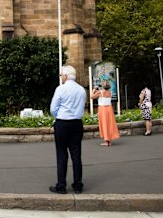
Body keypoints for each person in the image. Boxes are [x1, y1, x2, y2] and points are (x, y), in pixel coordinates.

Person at [49, 65, 86, 194]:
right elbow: (82, 107)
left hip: (63, 123)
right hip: (77, 123)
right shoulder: (81, 90)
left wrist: (57, 117)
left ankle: (61, 185)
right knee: (76, 154)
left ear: (65, 76)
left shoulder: (60, 89)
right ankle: (77, 185)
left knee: (61, 155)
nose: (61, 77)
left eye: (61, 75)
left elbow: (53, 108)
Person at [91, 81, 119, 146]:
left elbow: (92, 97)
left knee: (104, 124)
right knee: (109, 124)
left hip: (102, 109)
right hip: (109, 109)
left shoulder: (100, 92)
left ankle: (107, 141)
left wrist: (94, 90)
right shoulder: (110, 92)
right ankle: (109, 140)